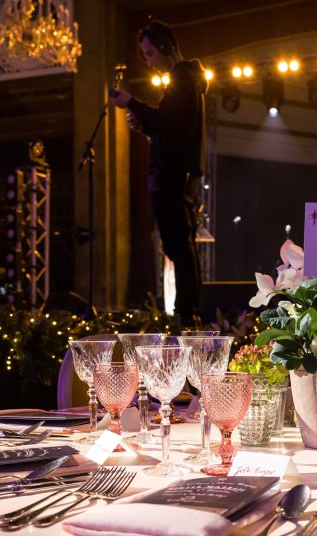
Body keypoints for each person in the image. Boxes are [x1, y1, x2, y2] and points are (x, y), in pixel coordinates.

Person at [109, 20, 206, 325]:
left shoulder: (182, 77)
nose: (148, 60)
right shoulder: (185, 79)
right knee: (179, 245)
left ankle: (185, 313)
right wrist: (149, 130)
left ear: (165, 47)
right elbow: (173, 129)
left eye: (150, 53)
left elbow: (167, 121)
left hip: (172, 179)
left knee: (178, 246)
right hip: (176, 177)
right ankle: (187, 311)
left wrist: (131, 103)